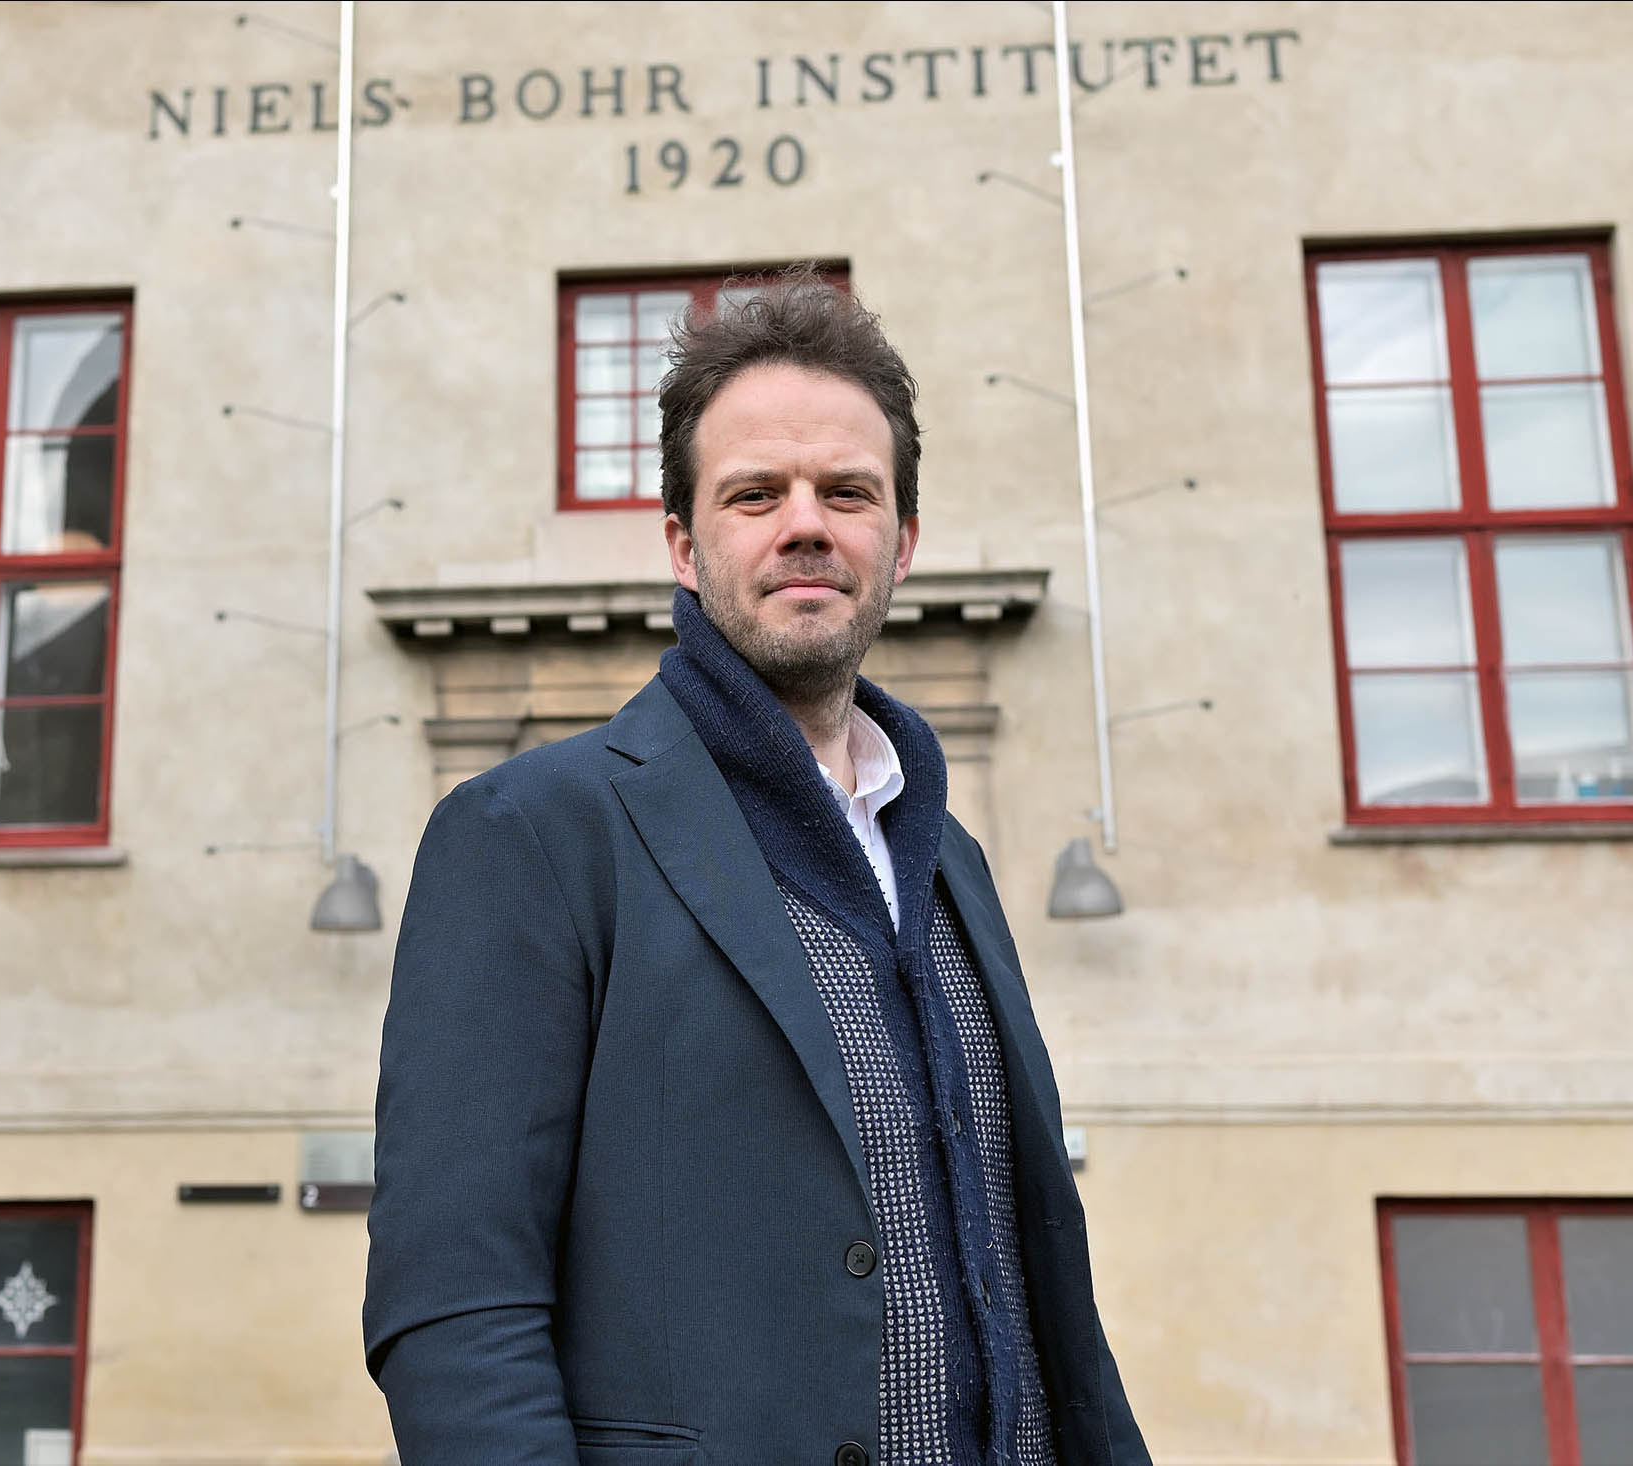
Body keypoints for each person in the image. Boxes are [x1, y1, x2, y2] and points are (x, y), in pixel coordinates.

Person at [364, 266, 1151, 1466]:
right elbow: (456, 1308)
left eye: (846, 490)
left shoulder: (947, 857)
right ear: (683, 543)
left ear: (902, 542)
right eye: (753, 494)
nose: (805, 523)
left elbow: (1035, 1285)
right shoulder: (530, 832)